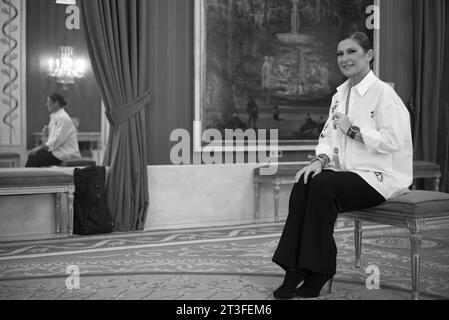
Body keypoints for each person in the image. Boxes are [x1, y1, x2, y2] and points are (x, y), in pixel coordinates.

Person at [272, 31, 413, 299]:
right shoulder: (339, 95)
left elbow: (394, 141)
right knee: (306, 182)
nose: (344, 58)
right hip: (348, 173)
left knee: (323, 185)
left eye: (351, 52)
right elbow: (327, 135)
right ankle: (293, 269)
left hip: (380, 176)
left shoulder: (384, 94)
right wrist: (320, 160)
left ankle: (318, 270)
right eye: (340, 53)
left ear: (369, 55)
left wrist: (353, 132)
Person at [26, 93, 81, 167]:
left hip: (65, 153)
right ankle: (30, 177)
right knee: (34, 155)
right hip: (57, 152)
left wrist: (39, 148)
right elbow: (50, 141)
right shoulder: (55, 117)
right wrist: (45, 134)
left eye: (48, 102)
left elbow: (56, 140)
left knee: (35, 157)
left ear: (56, 103)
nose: (47, 104)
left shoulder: (63, 118)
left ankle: (27, 177)